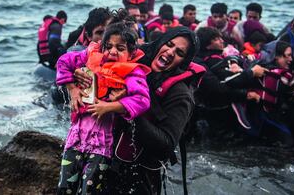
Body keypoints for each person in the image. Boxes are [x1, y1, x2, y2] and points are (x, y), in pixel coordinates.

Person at [74, 27, 200, 194]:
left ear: (183, 62)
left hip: (136, 175)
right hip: (99, 154)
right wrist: (72, 86)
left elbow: (166, 145)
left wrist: (126, 108)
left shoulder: (180, 95)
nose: (170, 52)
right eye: (168, 44)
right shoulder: (135, 61)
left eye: (179, 53)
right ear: (161, 43)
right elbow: (75, 61)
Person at [56, 22, 151, 195]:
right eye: (108, 47)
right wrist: (73, 90)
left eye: (120, 48)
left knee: (89, 190)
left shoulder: (133, 73)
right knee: (64, 187)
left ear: (131, 54)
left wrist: (109, 107)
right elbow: (63, 62)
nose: (113, 52)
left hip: (101, 144)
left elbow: (142, 100)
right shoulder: (89, 56)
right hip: (75, 139)